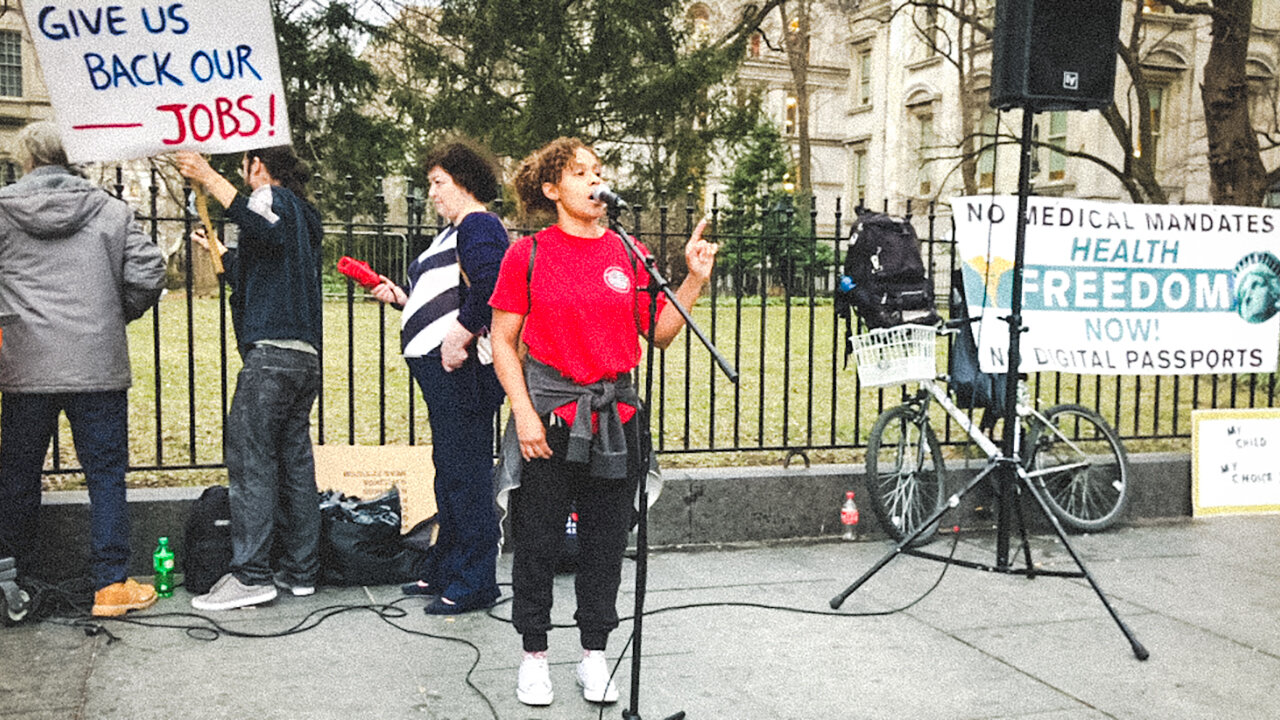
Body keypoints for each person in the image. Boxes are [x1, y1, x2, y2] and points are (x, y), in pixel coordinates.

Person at [488, 137, 716, 706]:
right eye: (580, 173)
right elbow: (502, 340)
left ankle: (595, 655)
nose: (596, 181)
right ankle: (533, 656)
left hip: (617, 418)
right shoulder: (529, 254)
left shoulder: (628, 253)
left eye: (599, 171)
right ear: (551, 190)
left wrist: (693, 279)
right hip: (551, 416)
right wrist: (523, 415)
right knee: (537, 541)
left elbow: (658, 333)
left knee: (605, 545)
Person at [0, 120, 167, 617]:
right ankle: (111, 585)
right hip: (97, 366)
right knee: (105, 474)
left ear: (27, 162)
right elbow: (149, 272)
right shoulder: (111, 211)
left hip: (25, 365)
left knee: (17, 473)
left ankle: (10, 574)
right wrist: (115, 313)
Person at [174, 147, 324, 611]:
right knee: (294, 461)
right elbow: (268, 267)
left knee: (252, 461)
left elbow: (260, 224)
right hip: (304, 357)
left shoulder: (269, 198)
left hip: (271, 357)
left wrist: (208, 178)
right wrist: (224, 255)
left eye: (244, 165)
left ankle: (253, 574)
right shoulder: (307, 215)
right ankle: (302, 571)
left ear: (257, 165)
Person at [367, 141, 508, 614]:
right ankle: (446, 566)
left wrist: (458, 337)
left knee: (465, 473)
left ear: (464, 181)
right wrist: (404, 300)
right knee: (450, 470)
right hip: (444, 367)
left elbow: (492, 285)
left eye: (438, 182)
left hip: (461, 369)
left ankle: (475, 580)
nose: (432, 193)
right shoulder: (455, 232)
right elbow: (449, 294)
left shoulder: (479, 224)